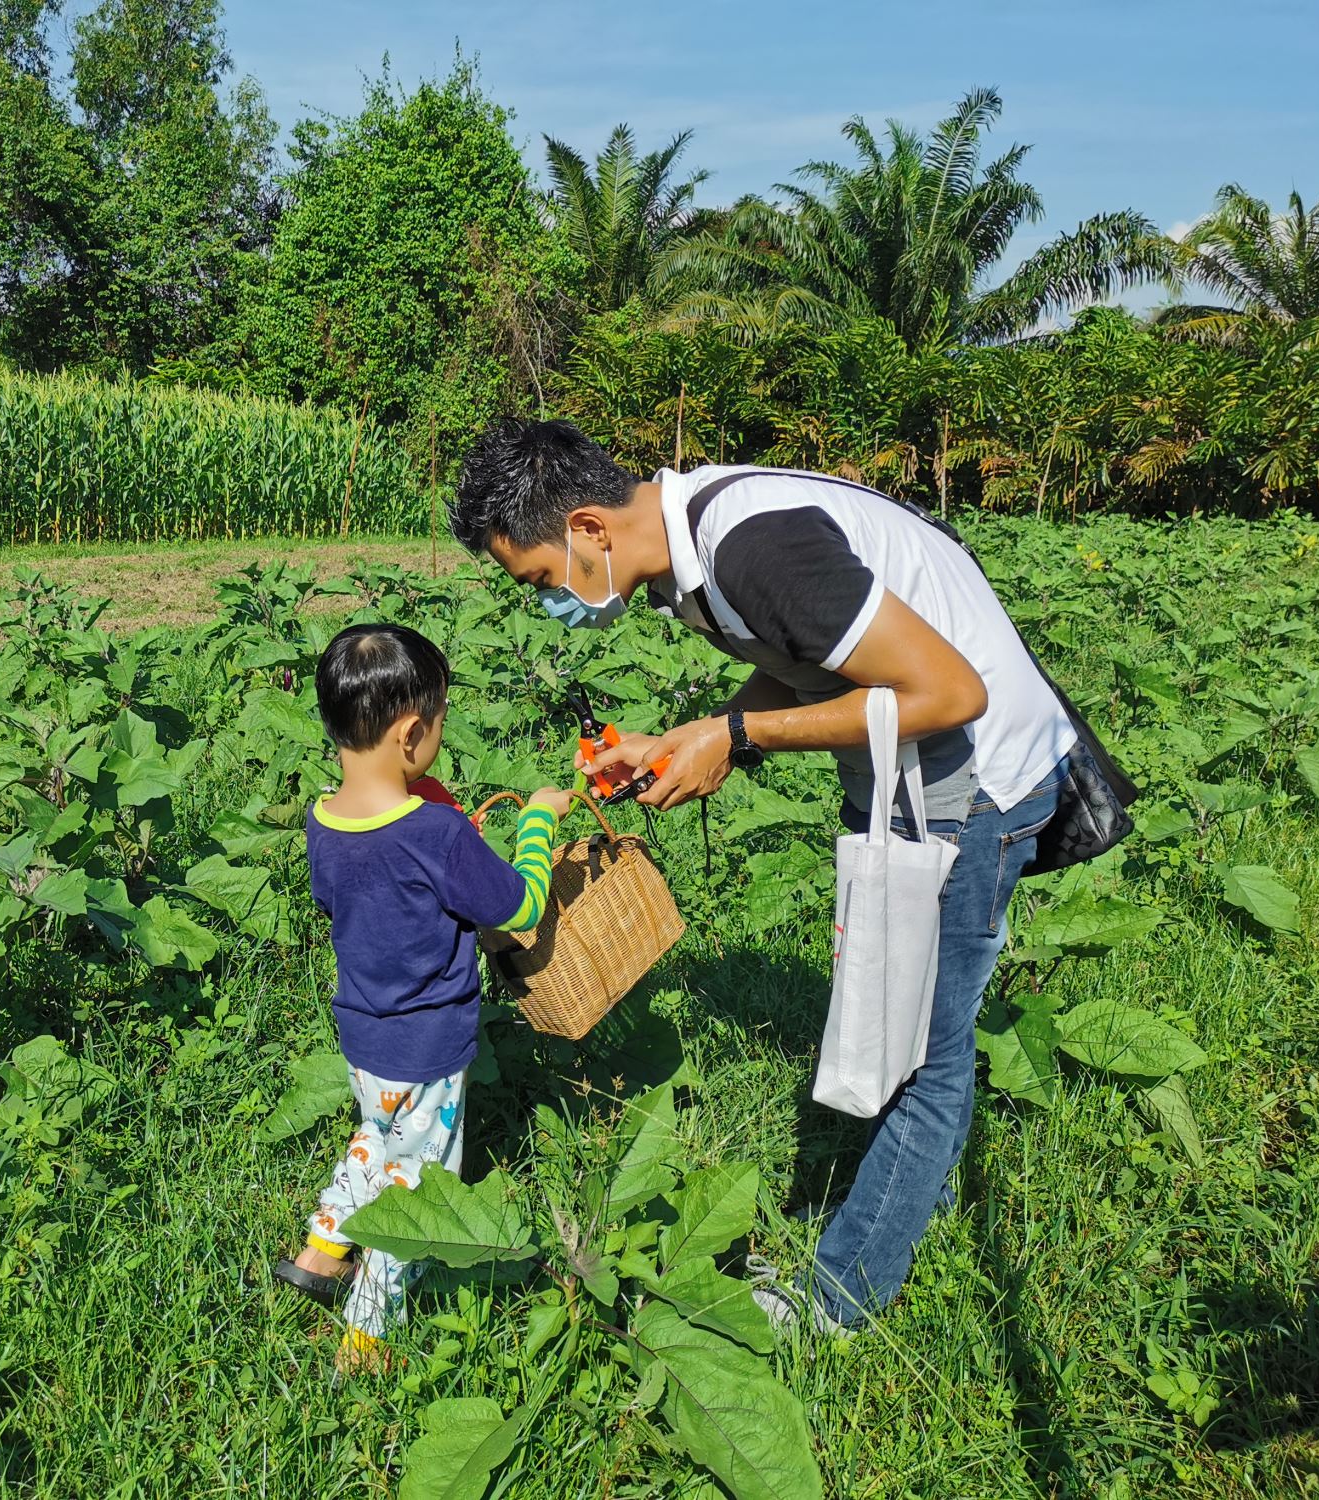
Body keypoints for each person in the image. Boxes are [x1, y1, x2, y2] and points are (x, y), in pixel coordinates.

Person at [448, 418, 1076, 1336]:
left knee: (922, 1056)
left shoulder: (751, 547)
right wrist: (693, 739)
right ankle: (913, 1203)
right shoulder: (694, 558)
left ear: (587, 529)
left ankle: (842, 1297)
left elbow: (950, 694)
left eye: (542, 580)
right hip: (914, 774)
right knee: (909, 1018)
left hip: (975, 782)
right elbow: (810, 654)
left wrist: (736, 736)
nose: (550, 603)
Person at [272, 622, 571, 1372]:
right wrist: (538, 821)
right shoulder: (436, 832)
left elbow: (340, 897)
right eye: (438, 722)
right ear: (411, 733)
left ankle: (321, 1250)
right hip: (428, 1048)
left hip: (363, 1037)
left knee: (376, 1137)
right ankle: (367, 1331)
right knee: (419, 1185)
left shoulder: (324, 820)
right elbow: (518, 906)